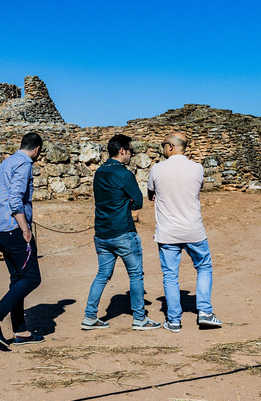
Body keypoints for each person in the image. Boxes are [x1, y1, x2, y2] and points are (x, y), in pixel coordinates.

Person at [82, 134, 161, 331]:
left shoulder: (99, 172)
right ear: (122, 150)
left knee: (102, 275)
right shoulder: (125, 174)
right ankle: (140, 318)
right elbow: (139, 202)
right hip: (123, 231)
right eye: (131, 151)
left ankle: (90, 316)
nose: (131, 155)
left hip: (102, 232)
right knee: (135, 275)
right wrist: (126, 204)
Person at [146, 132, 223, 332]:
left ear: (171, 146)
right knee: (204, 268)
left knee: (170, 275)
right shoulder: (197, 168)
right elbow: (197, 190)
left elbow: (150, 195)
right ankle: (205, 312)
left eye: (163, 145)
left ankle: (174, 320)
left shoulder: (157, 169)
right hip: (193, 230)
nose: (162, 149)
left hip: (168, 232)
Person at [0, 132, 44, 347]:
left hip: (0, 228)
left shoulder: (6, 163)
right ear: (37, 149)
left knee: (18, 279)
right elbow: (15, 199)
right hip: (14, 229)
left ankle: (21, 331)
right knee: (32, 278)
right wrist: (24, 228)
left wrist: (1, 217)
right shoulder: (24, 164)